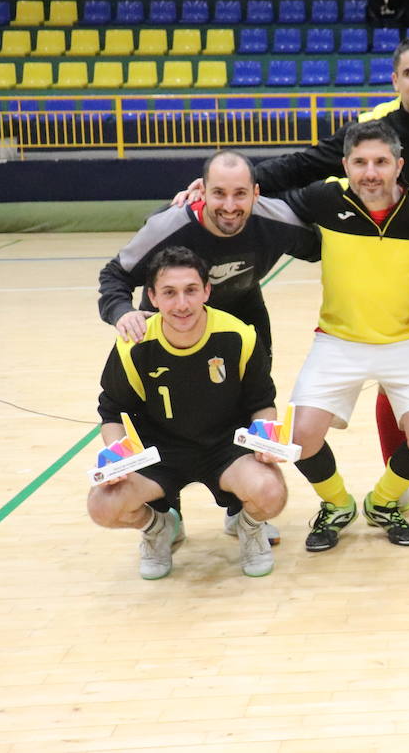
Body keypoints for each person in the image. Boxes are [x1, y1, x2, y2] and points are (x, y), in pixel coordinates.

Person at [174, 36, 409, 503]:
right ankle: (393, 493)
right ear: (395, 79)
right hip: (389, 264)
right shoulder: (371, 126)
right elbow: (303, 164)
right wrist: (237, 183)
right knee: (390, 393)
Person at [100, 150, 318, 540]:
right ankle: (165, 517)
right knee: (162, 413)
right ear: (200, 191)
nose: (230, 206)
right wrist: (121, 312)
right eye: (219, 194)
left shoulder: (275, 218)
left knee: (246, 404)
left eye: (240, 195)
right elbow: (115, 273)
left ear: (255, 193)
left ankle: (242, 511)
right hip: (169, 322)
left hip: (241, 318)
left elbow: (323, 245)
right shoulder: (167, 224)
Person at [278, 121, 409, 552]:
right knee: (298, 437)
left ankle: (383, 502)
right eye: (360, 163)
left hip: (408, 341)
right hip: (339, 340)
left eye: (380, 162)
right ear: (345, 166)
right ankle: (337, 505)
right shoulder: (324, 197)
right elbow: (260, 201)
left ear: (399, 165)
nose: (370, 172)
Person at [89, 246, 287, 580]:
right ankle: (158, 527)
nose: (182, 304)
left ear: (207, 291)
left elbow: (262, 403)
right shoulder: (133, 344)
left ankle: (249, 527)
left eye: (191, 291)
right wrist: (116, 459)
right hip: (159, 451)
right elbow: (112, 411)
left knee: (272, 492)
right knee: (102, 507)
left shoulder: (239, 336)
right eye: (169, 293)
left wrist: (265, 442)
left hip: (225, 447)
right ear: (152, 297)